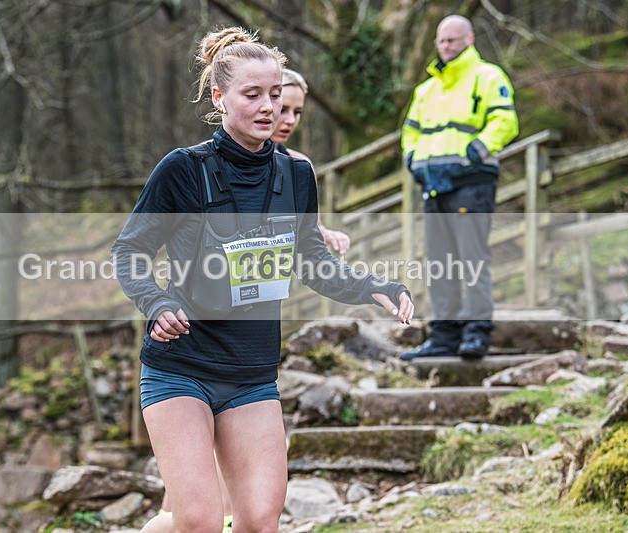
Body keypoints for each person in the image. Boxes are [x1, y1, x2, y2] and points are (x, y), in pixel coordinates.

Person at [111, 26, 414, 533]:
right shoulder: (183, 169)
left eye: (275, 94)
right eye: (252, 95)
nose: (269, 107)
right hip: (181, 367)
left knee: (258, 521)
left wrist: (373, 286)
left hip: (251, 372)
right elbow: (129, 250)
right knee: (200, 522)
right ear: (220, 98)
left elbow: (313, 262)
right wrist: (156, 303)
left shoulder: (296, 175)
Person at [399, 15, 518, 361]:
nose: (446, 46)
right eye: (441, 41)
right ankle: (444, 336)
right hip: (434, 185)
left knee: (471, 258)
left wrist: (472, 154)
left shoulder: (489, 76)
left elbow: (505, 121)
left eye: (452, 39)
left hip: (472, 183)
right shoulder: (426, 90)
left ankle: (477, 332)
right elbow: (410, 133)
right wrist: (413, 162)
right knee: (440, 262)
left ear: (469, 38)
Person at [272, 68, 351, 255]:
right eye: (283, 110)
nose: (291, 120)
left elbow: (313, 226)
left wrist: (329, 235)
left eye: (297, 112)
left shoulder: (300, 164)